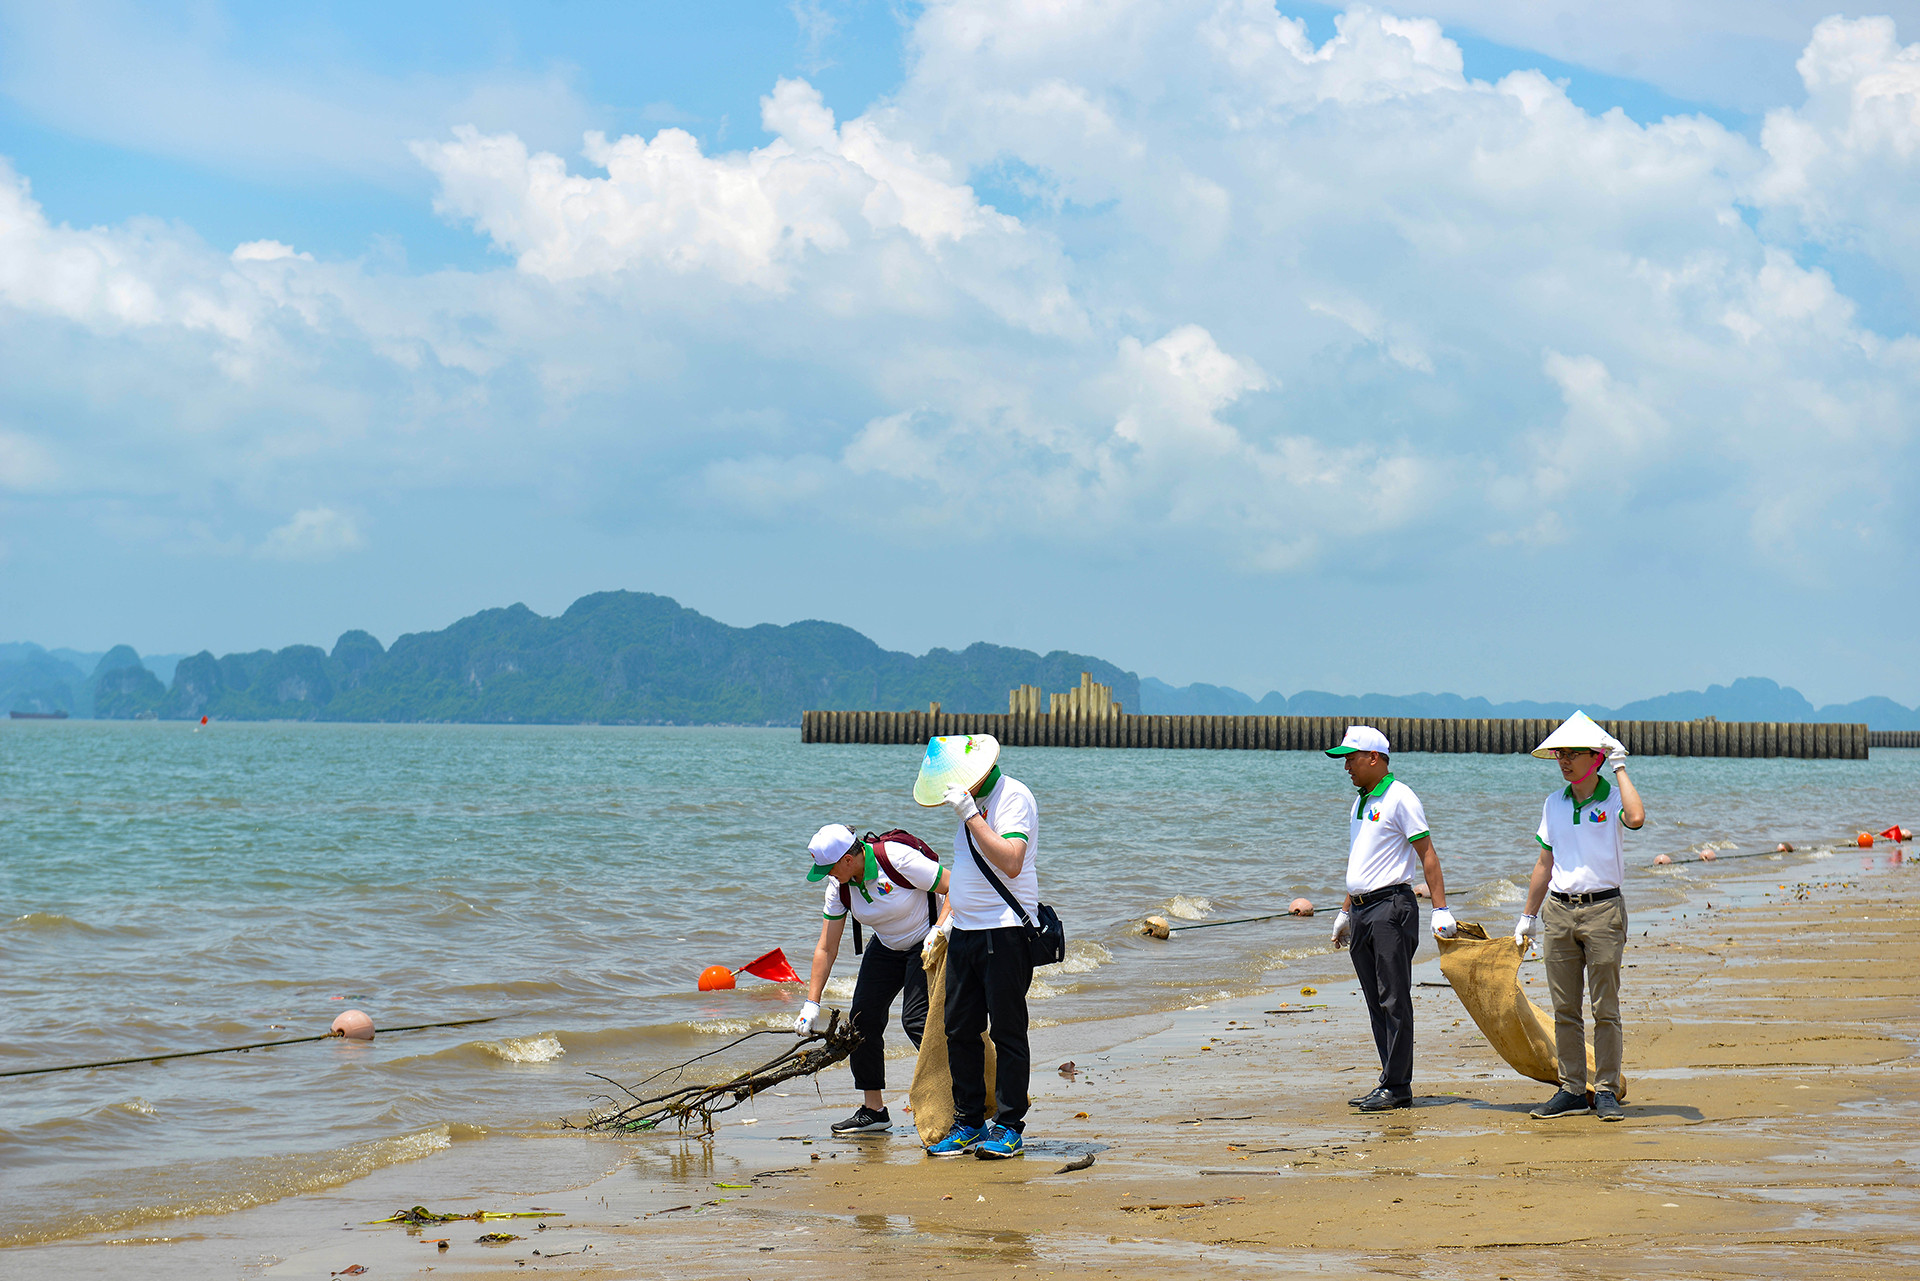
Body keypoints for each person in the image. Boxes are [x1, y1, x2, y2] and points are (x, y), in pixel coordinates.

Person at [1512, 712, 1645, 1122]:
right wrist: (1527, 916)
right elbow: (1543, 863)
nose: (1564, 761)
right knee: (1564, 1008)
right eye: (1559, 754)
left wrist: (1620, 766)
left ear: (1596, 757)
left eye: (1572, 753)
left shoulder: (1612, 797)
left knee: (1605, 1007)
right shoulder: (1554, 802)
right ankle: (1571, 1089)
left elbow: (1636, 818)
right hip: (1559, 910)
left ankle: (1605, 1089)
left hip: (1604, 910)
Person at [914, 734, 1039, 1159]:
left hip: (1004, 932)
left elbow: (1011, 860)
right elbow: (965, 876)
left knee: (1007, 1030)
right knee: (959, 1029)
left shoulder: (1013, 796)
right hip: (965, 933)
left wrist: (971, 816)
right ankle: (968, 1121)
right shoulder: (972, 811)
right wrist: (942, 925)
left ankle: (1008, 1126)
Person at [1325, 725, 1455, 1112]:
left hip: (1391, 908)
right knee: (1374, 999)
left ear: (1374, 758)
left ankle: (1398, 1085)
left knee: (1394, 997)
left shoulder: (1400, 797)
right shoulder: (1360, 802)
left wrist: (1441, 908)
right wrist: (1345, 910)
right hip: (1363, 910)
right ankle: (1388, 1079)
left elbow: (1426, 852)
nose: (1346, 765)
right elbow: (1358, 860)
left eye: (1351, 757)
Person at [796, 823, 949, 1135]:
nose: (827, 875)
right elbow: (827, 946)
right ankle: (874, 1110)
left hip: (928, 939)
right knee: (862, 1019)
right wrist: (811, 1003)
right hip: (887, 945)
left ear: (848, 860)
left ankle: (962, 1098)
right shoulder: (839, 887)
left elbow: (956, 886)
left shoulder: (896, 859)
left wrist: (941, 930)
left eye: (829, 868)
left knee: (917, 1020)